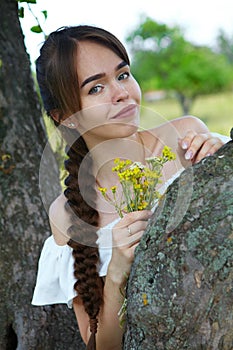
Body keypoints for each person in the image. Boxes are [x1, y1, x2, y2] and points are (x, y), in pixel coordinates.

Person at [31, 25, 225, 350]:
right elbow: (103, 346)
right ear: (65, 116)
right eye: (95, 88)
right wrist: (117, 273)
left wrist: (221, 161)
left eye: (123, 75)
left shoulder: (186, 139)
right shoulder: (66, 215)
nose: (121, 92)